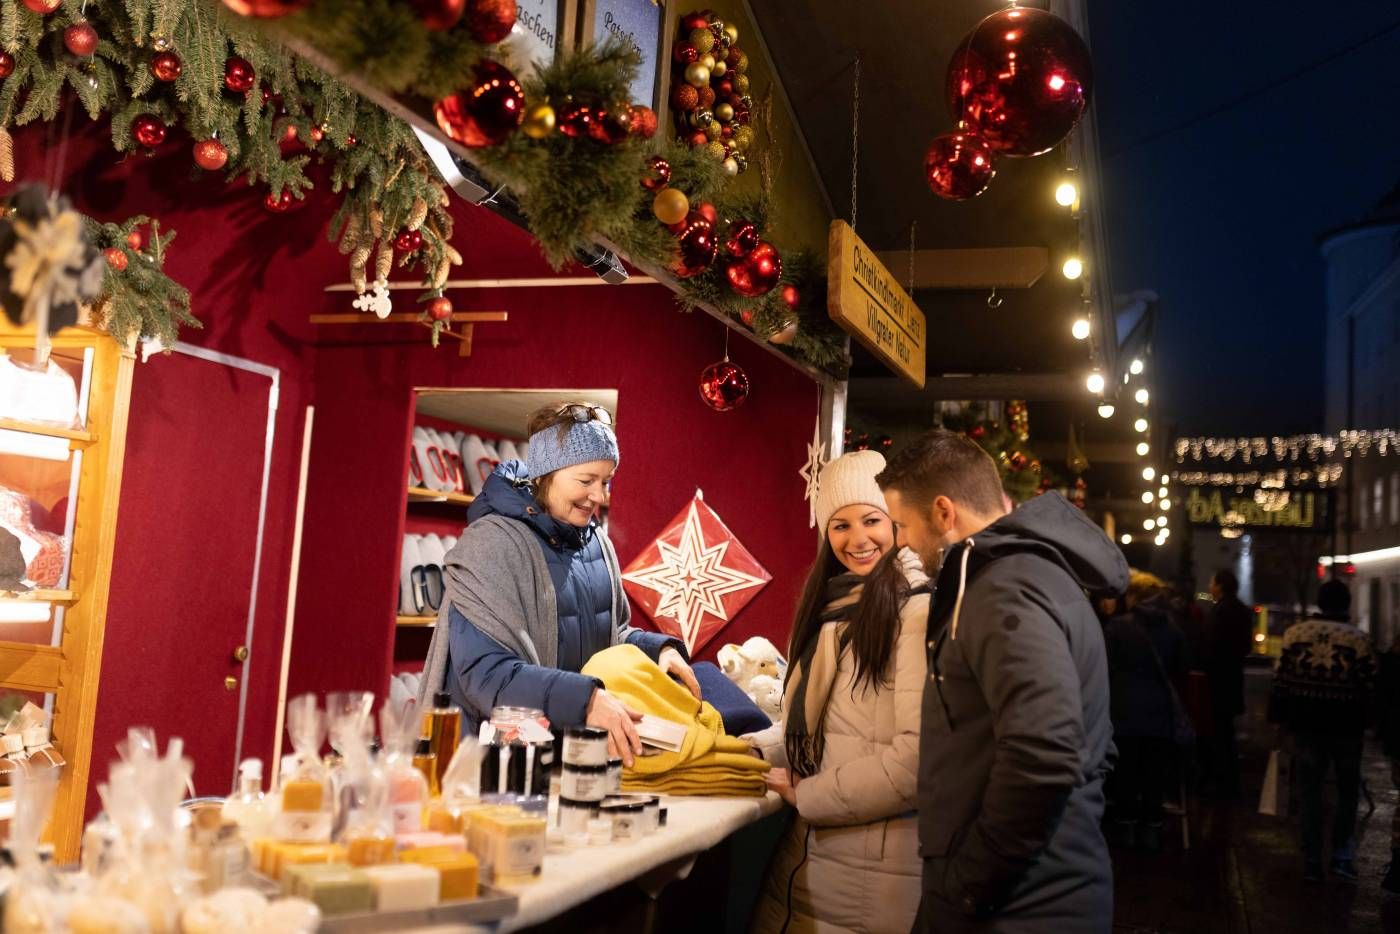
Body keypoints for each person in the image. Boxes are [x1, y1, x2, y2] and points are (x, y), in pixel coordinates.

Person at [878, 430, 1127, 934]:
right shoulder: (1025, 577)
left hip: (1020, 906)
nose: (899, 541)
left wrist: (971, 881)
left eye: (902, 524)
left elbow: (1045, 750)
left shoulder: (1004, 588)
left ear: (944, 513)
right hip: (1031, 893)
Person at [416, 402, 698, 764]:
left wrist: (658, 651)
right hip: (488, 765)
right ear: (546, 474)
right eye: (586, 481)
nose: (599, 496)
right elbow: (485, 675)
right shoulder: (490, 545)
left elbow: (611, 635)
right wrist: (586, 700)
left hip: (567, 758)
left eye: (605, 481)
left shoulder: (596, 543)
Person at [749, 451, 930, 934]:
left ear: (896, 521)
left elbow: (916, 761)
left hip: (873, 877)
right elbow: (814, 730)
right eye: (840, 526)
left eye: (871, 520)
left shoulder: (915, 612)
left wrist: (809, 794)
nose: (857, 539)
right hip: (810, 861)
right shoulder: (833, 609)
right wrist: (741, 752)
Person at [1268, 579, 1376, 883]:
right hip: (1346, 727)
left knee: (1310, 790)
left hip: (1306, 725)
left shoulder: (1294, 635)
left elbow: (1280, 682)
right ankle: (1341, 854)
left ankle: (1312, 856)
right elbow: (1370, 686)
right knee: (1346, 791)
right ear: (1347, 603)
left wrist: (1279, 720)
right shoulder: (1359, 640)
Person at [1102, 570, 1188, 851]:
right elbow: (1180, 671)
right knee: (1154, 775)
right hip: (1160, 713)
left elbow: (1105, 669)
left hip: (1124, 711)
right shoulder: (1173, 629)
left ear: (1135, 597)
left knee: (1125, 772)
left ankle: (1125, 829)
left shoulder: (1117, 628)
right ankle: (1151, 831)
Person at [1203, 568, 1254, 797]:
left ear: (1220, 586)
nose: (1209, 587)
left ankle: (1221, 781)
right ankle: (1231, 779)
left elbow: (1211, 646)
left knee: (1218, 731)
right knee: (1227, 730)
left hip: (1217, 681)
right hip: (1233, 677)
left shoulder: (1219, 611)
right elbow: (1246, 646)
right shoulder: (1242, 611)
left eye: (1211, 583)